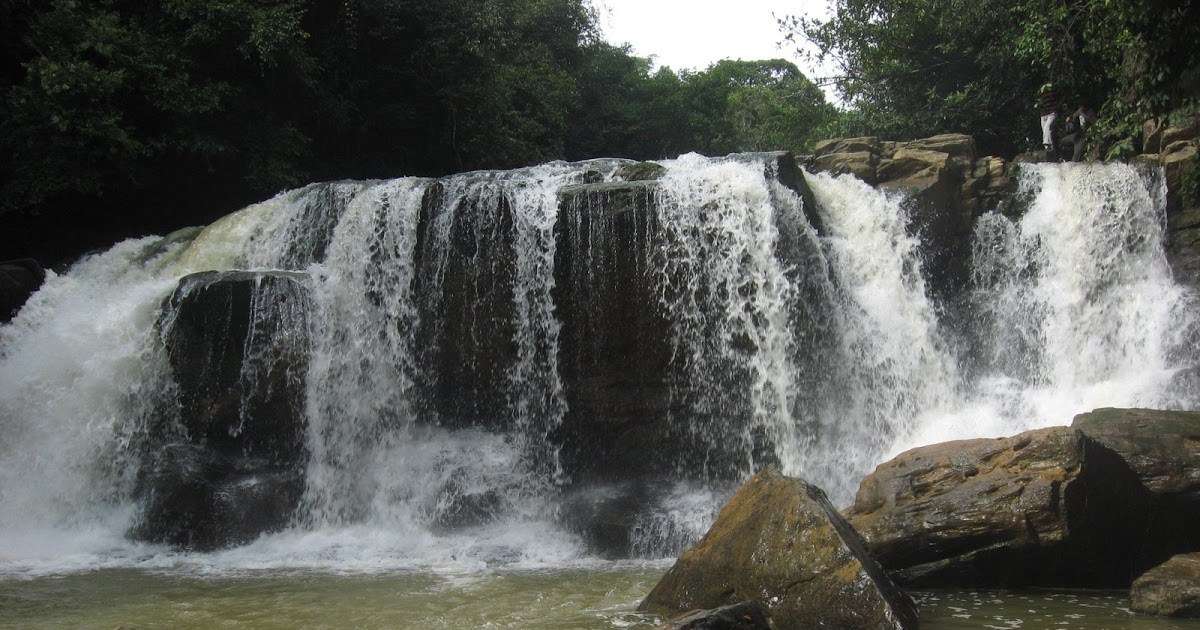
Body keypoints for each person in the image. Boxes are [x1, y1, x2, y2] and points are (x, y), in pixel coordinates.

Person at [1037, 83, 1060, 159]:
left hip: (1051, 113)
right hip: (1044, 115)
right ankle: (1049, 149)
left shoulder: (1053, 95)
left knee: (1047, 128)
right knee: (1045, 131)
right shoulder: (1041, 98)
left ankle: (1048, 146)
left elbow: (1057, 103)